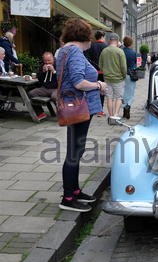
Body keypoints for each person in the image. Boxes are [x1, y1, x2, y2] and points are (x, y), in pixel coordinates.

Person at [56, 18, 107, 212]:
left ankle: (75, 191)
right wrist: (99, 85)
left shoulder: (64, 50)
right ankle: (68, 198)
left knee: (76, 151)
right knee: (74, 153)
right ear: (84, 35)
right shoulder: (75, 51)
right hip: (79, 107)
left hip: (74, 106)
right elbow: (78, 82)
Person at [99, 33, 127, 124]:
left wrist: (105, 72)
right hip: (118, 78)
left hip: (107, 78)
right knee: (118, 97)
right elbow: (123, 67)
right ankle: (115, 115)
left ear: (109, 40)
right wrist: (123, 75)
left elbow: (100, 65)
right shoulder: (120, 51)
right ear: (118, 41)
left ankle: (110, 116)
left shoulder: (104, 51)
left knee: (109, 98)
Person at [28, 52, 58, 121]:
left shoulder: (59, 65)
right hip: (45, 88)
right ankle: (40, 113)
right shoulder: (42, 66)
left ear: (53, 59)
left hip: (57, 88)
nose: (47, 63)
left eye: (49, 60)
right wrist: (43, 72)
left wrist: (54, 71)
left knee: (55, 97)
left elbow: (62, 79)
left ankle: (62, 115)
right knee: (31, 93)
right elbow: (40, 80)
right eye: (45, 61)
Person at [84, 30, 108, 117]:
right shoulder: (105, 46)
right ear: (102, 36)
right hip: (102, 72)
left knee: (92, 89)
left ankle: (91, 108)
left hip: (91, 71)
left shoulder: (91, 46)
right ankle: (99, 110)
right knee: (101, 90)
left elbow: (86, 57)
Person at [121, 36, 138, 120]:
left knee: (123, 93)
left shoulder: (121, 51)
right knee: (131, 93)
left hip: (121, 75)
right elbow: (138, 64)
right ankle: (128, 107)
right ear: (131, 43)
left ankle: (124, 110)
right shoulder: (134, 53)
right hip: (131, 75)